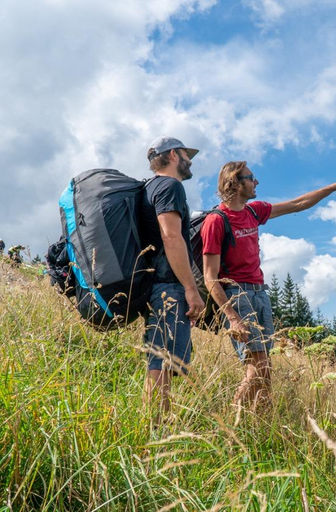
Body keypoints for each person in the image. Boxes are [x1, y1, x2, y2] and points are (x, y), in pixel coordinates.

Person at [201, 161, 336, 409]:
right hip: (236, 295)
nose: (257, 182)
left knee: (266, 366)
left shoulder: (254, 212)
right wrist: (232, 318)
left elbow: (298, 204)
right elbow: (210, 277)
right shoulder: (216, 221)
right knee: (258, 366)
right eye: (251, 177)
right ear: (235, 182)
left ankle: (260, 428)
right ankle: (230, 425)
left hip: (260, 294)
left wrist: (334, 187)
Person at [139, 136, 205, 425]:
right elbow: (171, 236)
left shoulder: (148, 188)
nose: (190, 160)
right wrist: (191, 289)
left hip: (153, 285)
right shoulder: (170, 186)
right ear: (174, 155)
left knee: (161, 360)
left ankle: (154, 427)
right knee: (163, 364)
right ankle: (156, 433)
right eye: (186, 154)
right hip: (168, 286)